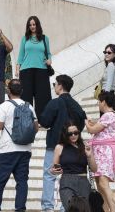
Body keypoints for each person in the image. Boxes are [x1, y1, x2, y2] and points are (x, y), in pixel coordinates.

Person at [39, 75, 86, 212]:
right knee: (68, 176)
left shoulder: (55, 103)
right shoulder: (76, 105)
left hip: (54, 145)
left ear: (60, 85)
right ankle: (65, 206)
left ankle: (48, 206)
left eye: (55, 84)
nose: (54, 87)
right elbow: (81, 124)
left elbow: (45, 121)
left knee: (50, 175)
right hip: (71, 148)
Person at [0, 79, 35, 212]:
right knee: (22, 182)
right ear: (22, 91)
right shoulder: (29, 106)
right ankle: (20, 209)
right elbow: (35, 127)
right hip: (25, 149)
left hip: (7, 150)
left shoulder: (4, 106)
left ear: (8, 91)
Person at [86, 91, 115, 212]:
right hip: (101, 152)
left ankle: (112, 209)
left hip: (105, 153)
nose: (98, 104)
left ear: (104, 102)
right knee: (100, 184)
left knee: (103, 183)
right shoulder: (109, 116)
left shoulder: (108, 115)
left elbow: (92, 130)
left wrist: (87, 122)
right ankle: (105, 209)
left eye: (99, 101)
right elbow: (98, 128)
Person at [52, 122, 92, 211]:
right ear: (65, 134)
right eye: (70, 134)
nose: (73, 135)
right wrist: (54, 171)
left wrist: (89, 155)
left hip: (83, 182)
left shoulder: (85, 146)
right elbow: (54, 168)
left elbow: (94, 168)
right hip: (67, 182)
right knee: (71, 208)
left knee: (84, 209)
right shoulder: (59, 147)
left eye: (76, 133)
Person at [17, 16, 51, 118]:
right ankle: (27, 119)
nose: (32, 26)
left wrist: (49, 60)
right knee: (26, 96)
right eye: (30, 25)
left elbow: (48, 53)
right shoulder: (24, 39)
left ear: (37, 25)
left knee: (42, 96)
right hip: (26, 70)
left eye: (34, 24)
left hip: (42, 70)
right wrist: (17, 69)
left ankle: (42, 119)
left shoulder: (45, 38)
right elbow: (20, 55)